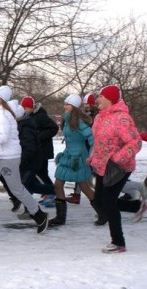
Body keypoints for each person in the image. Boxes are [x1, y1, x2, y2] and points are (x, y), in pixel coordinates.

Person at [0, 86, 48, 233]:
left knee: (17, 189)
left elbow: (2, 138)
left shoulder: (3, 115)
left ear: (2, 99)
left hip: (8, 158)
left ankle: (39, 215)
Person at [88, 85, 142, 253]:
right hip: (102, 166)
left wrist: (117, 158)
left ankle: (119, 242)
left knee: (109, 202)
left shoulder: (122, 118)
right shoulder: (99, 117)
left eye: (101, 97)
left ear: (110, 99)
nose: (97, 100)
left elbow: (136, 142)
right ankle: (136, 206)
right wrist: (93, 158)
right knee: (98, 201)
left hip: (119, 167)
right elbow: (99, 142)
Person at [49, 94, 97, 226]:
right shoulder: (67, 119)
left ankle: (103, 213)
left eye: (67, 104)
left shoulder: (79, 121)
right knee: (58, 185)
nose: (65, 106)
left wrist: (91, 155)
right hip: (67, 155)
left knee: (84, 187)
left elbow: (92, 138)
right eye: (65, 104)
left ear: (74, 106)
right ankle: (60, 218)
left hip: (78, 158)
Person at [20, 96, 59, 194]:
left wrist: (39, 136)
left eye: (25, 108)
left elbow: (54, 128)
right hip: (38, 150)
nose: (23, 110)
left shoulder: (41, 116)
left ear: (30, 107)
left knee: (41, 173)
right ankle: (49, 192)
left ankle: (52, 193)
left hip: (44, 150)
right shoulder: (31, 116)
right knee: (40, 173)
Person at [66, 92, 98, 204]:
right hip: (84, 146)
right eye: (84, 104)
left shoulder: (95, 115)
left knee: (94, 174)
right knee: (81, 171)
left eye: (87, 104)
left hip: (92, 147)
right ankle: (77, 194)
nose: (85, 106)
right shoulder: (85, 114)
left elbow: (90, 132)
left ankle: (98, 197)